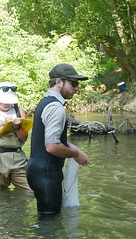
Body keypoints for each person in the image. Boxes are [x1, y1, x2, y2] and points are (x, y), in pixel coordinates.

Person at [27, 64, 90, 215]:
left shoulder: (45, 102)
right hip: (46, 174)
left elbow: (51, 138)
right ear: (58, 82)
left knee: (46, 218)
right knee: (51, 225)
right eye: (73, 83)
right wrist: (75, 155)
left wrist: (76, 149)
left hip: (38, 170)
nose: (77, 88)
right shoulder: (56, 107)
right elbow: (52, 146)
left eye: (77, 84)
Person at [0, 82, 30, 190]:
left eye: (10, 101)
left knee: (29, 190)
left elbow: (24, 139)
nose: (7, 104)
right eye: (4, 100)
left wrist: (16, 127)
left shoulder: (20, 111)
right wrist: (4, 125)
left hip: (17, 157)